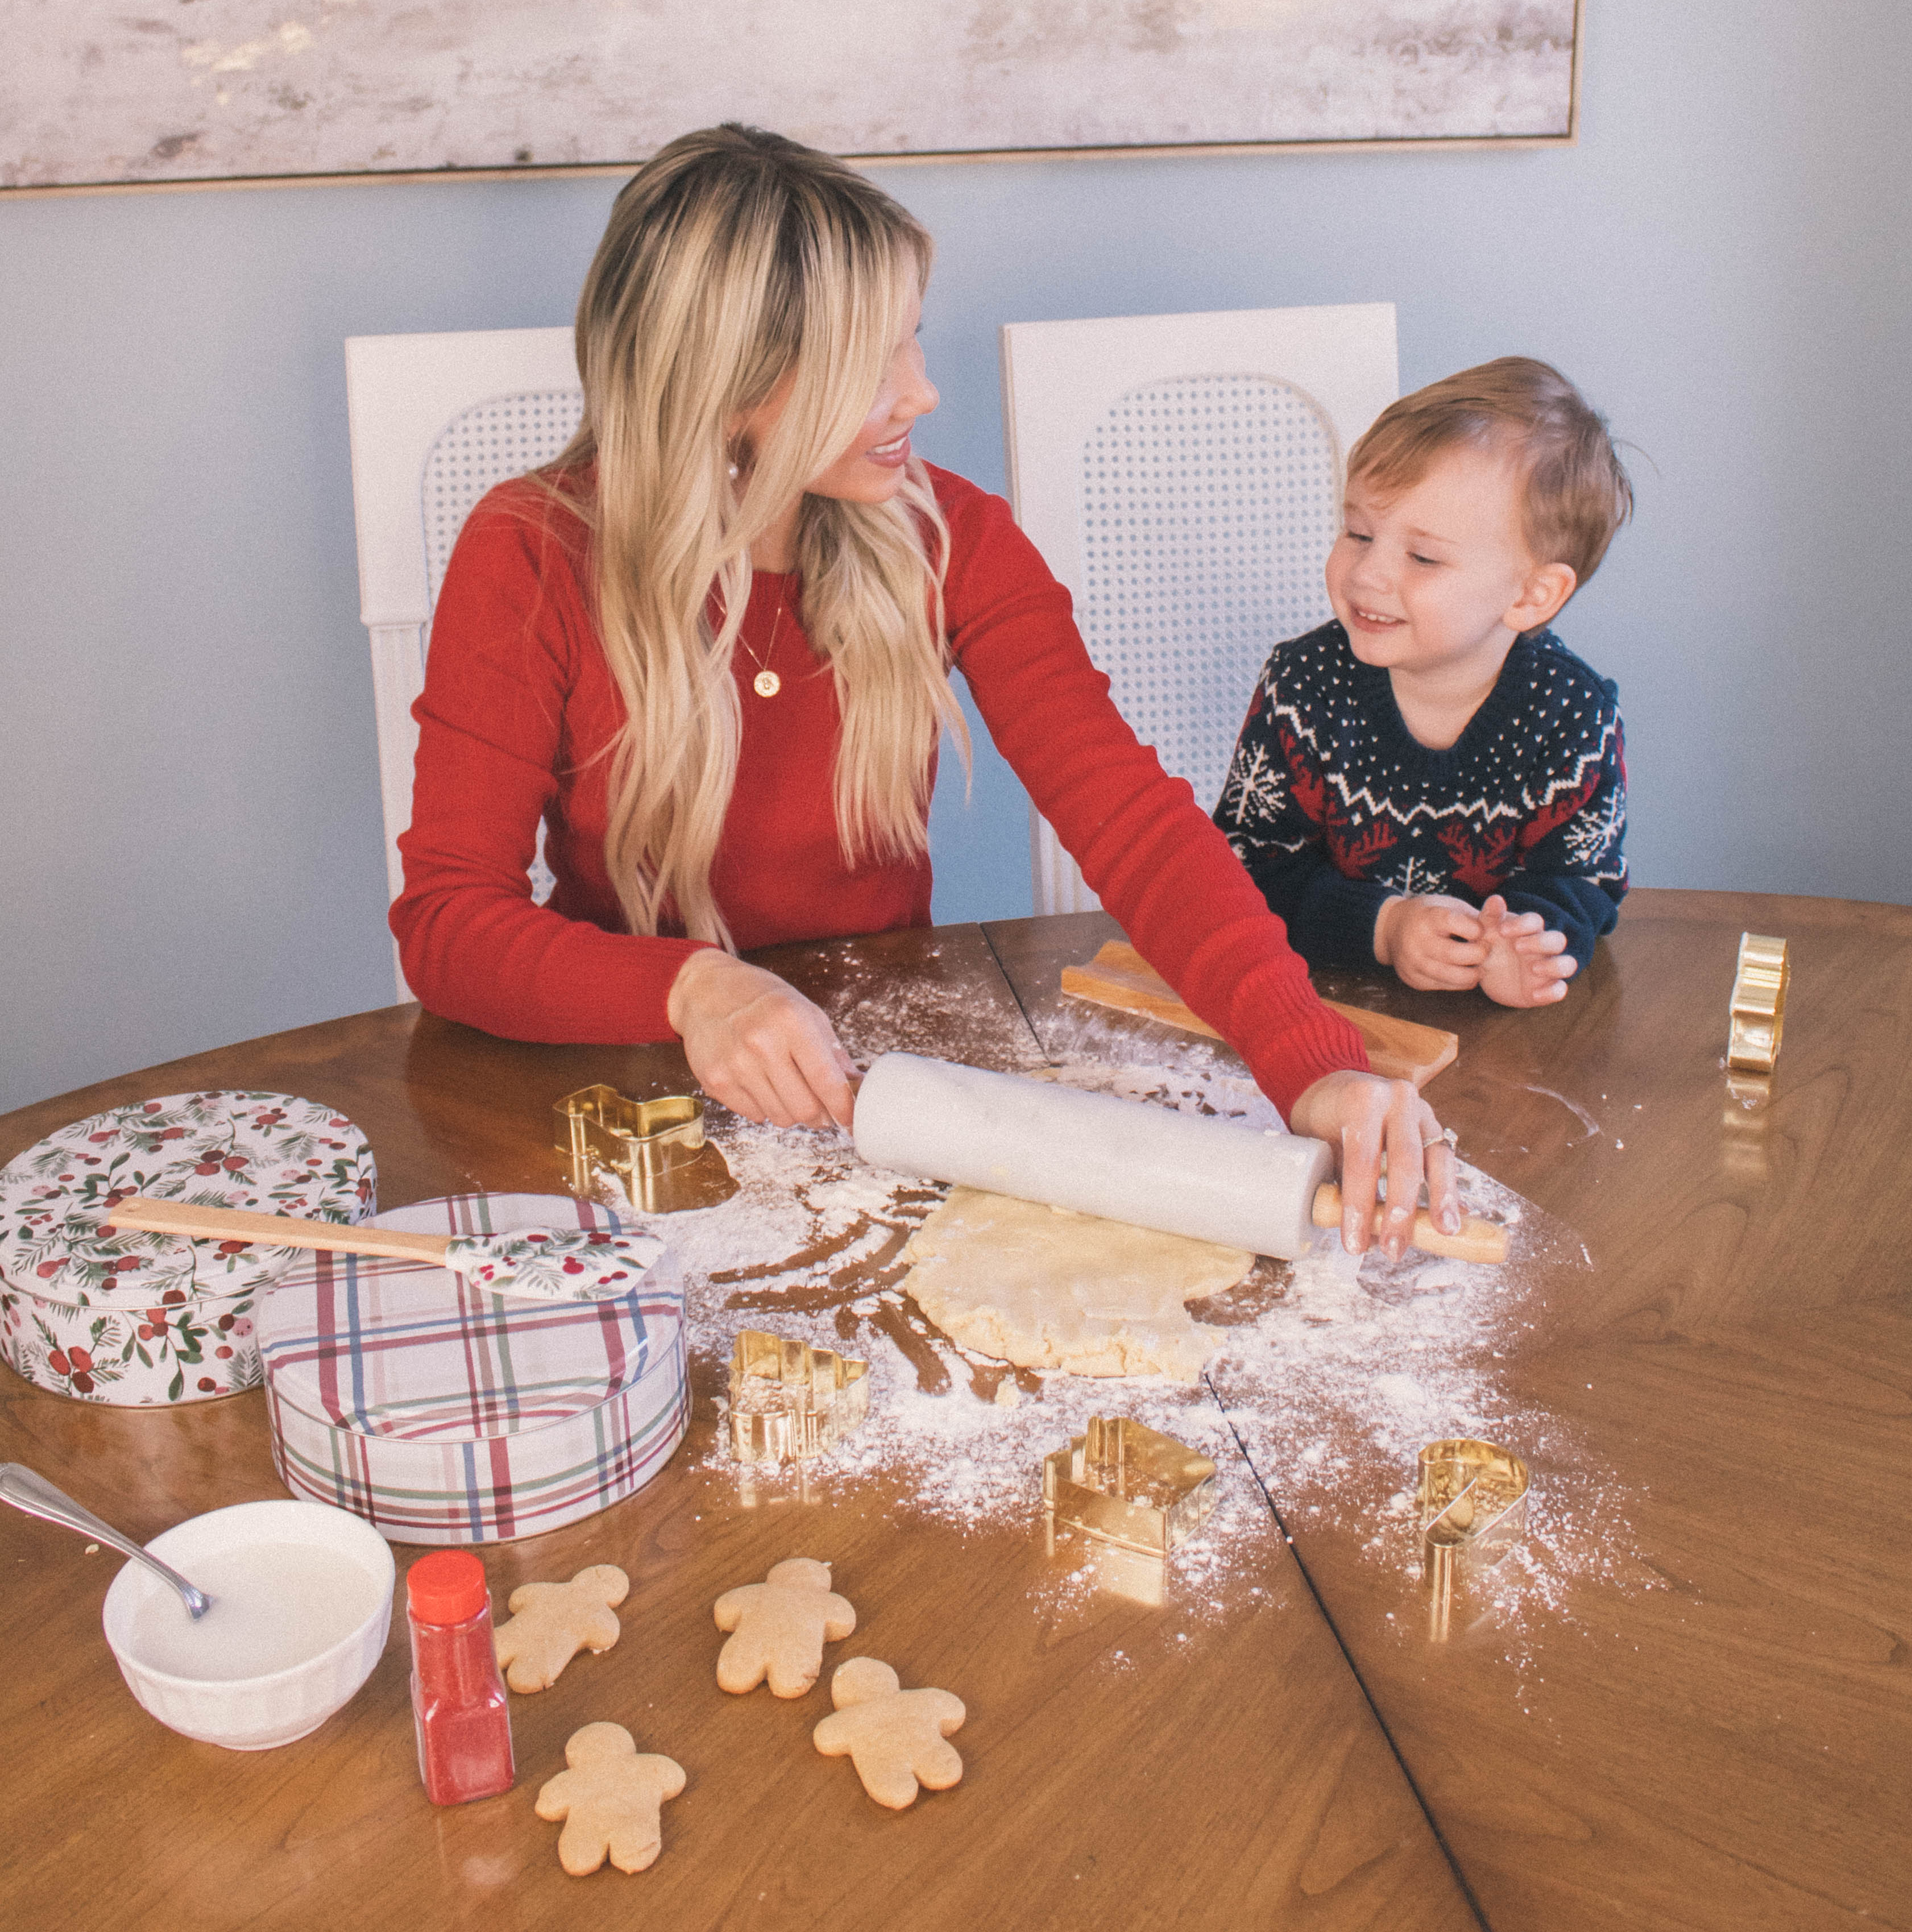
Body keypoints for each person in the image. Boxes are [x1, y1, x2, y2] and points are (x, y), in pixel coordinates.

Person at [393, 125, 1464, 1258]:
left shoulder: (955, 538)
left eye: (914, 340)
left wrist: (1314, 1064)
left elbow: (1133, 821)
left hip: (879, 1090)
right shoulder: (531, 552)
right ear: (728, 385)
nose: (925, 389)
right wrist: (694, 989)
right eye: (876, 363)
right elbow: (448, 924)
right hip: (615, 1089)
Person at [1217, 357, 1631, 1009]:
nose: (1366, 575)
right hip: (1327, 1015)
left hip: (1500, 1040)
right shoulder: (1303, 687)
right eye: (1358, 532)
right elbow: (1244, 872)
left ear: (1531, 594)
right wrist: (1382, 926)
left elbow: (1581, 879)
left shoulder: (1572, 712)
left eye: (1422, 556)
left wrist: (1527, 943)